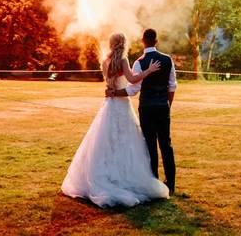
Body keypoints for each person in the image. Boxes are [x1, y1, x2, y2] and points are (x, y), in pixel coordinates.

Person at [61, 32, 168, 207]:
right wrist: (148, 71)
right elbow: (133, 79)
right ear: (123, 44)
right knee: (125, 141)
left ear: (111, 44)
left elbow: (108, 83)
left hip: (109, 104)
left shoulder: (105, 62)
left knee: (106, 141)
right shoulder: (123, 61)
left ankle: (105, 175)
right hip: (121, 105)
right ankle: (123, 177)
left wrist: (112, 91)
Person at [106, 28, 177, 194]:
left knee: (150, 145)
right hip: (162, 107)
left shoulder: (139, 62)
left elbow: (133, 90)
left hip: (146, 108)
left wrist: (114, 93)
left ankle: (153, 183)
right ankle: (171, 183)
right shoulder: (168, 60)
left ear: (143, 41)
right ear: (156, 41)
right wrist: (168, 104)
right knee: (166, 144)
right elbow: (172, 86)